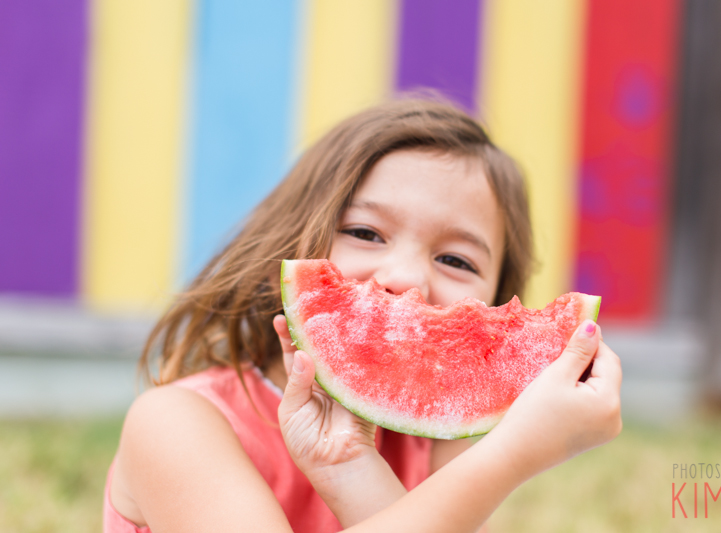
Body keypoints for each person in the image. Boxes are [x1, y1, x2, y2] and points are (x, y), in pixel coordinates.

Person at [103, 97, 622, 532]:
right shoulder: (176, 424)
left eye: (456, 260)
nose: (408, 278)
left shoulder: (440, 451)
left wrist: (350, 468)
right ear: (277, 259)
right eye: (366, 233)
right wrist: (511, 455)